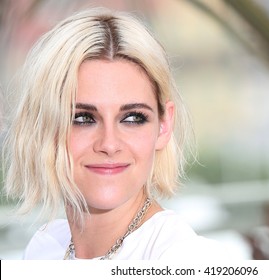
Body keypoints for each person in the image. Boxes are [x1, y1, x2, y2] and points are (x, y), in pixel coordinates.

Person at [2, 7, 234, 260]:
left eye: (133, 118)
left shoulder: (185, 258)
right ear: (44, 125)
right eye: (82, 118)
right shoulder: (45, 248)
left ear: (164, 125)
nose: (109, 144)